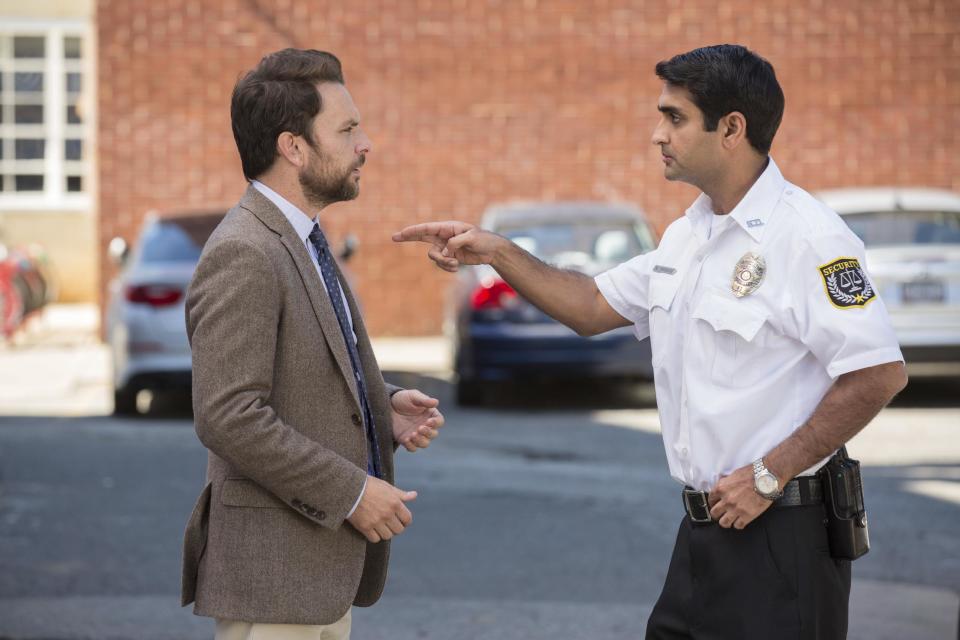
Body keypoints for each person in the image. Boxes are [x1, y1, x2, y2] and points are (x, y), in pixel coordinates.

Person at [394, 44, 906, 639]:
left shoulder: (810, 237)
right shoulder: (688, 236)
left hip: (781, 536)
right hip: (701, 537)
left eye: (675, 117)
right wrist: (498, 251)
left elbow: (878, 372)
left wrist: (770, 473)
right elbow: (589, 305)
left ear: (732, 129)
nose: (656, 134)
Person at [181, 48, 445, 640]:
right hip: (272, 581)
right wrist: (353, 493)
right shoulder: (245, 251)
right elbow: (228, 415)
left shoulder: (301, 239)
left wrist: (384, 403)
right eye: (348, 129)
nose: (366, 144)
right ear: (293, 147)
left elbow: (305, 366)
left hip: (317, 580)